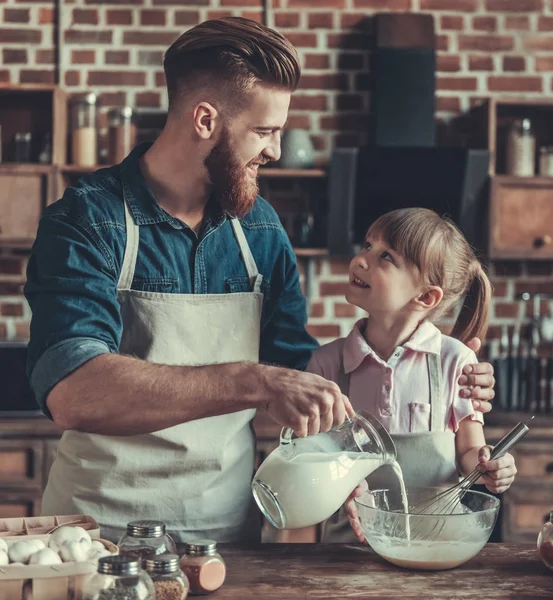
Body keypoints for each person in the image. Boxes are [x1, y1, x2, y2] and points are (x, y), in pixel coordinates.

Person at [24, 17, 496, 543]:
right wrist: (254, 381)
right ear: (205, 119)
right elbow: (73, 390)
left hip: (228, 534)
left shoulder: (261, 229)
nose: (273, 150)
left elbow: (300, 373)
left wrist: (436, 370)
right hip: (97, 533)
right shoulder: (87, 220)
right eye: (265, 130)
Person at [306, 208, 516, 543]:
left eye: (385, 256)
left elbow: (469, 456)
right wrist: (337, 483)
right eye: (367, 245)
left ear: (426, 297)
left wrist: (490, 465)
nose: (361, 260)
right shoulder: (325, 365)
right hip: (349, 553)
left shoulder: (457, 362)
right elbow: (311, 463)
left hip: (439, 548)